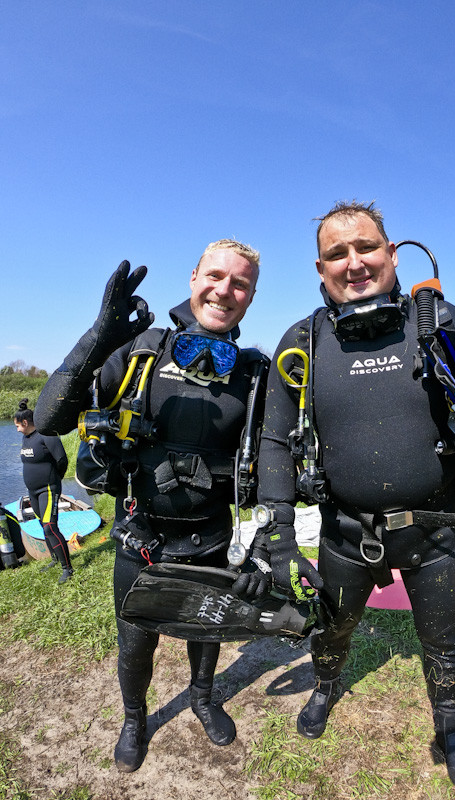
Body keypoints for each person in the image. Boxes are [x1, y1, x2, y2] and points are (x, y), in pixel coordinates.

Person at [252, 201, 455, 786]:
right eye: (337, 254)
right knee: (333, 630)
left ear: (392, 254)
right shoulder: (301, 341)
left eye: (366, 247)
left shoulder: (439, 321)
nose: (354, 262)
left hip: (434, 530)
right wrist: (279, 533)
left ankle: (449, 728)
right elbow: (274, 442)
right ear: (320, 268)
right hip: (344, 533)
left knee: (443, 639)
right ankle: (325, 685)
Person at [35, 240, 265, 773]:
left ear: (251, 298)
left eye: (240, 283)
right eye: (215, 275)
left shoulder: (253, 373)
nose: (224, 290)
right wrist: (98, 338)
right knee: (136, 642)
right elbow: (48, 418)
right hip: (139, 538)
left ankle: (204, 697)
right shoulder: (142, 351)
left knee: (204, 630)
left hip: (210, 538)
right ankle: (135, 717)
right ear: (193, 278)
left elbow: (276, 461)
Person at [14, 398, 73, 583]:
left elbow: (62, 460)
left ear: (25, 423)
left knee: (50, 527)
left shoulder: (47, 435)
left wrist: (56, 479)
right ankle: (55, 559)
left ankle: (67, 569)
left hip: (48, 489)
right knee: (42, 525)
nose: (16, 430)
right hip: (33, 491)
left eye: (17, 426)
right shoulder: (26, 437)